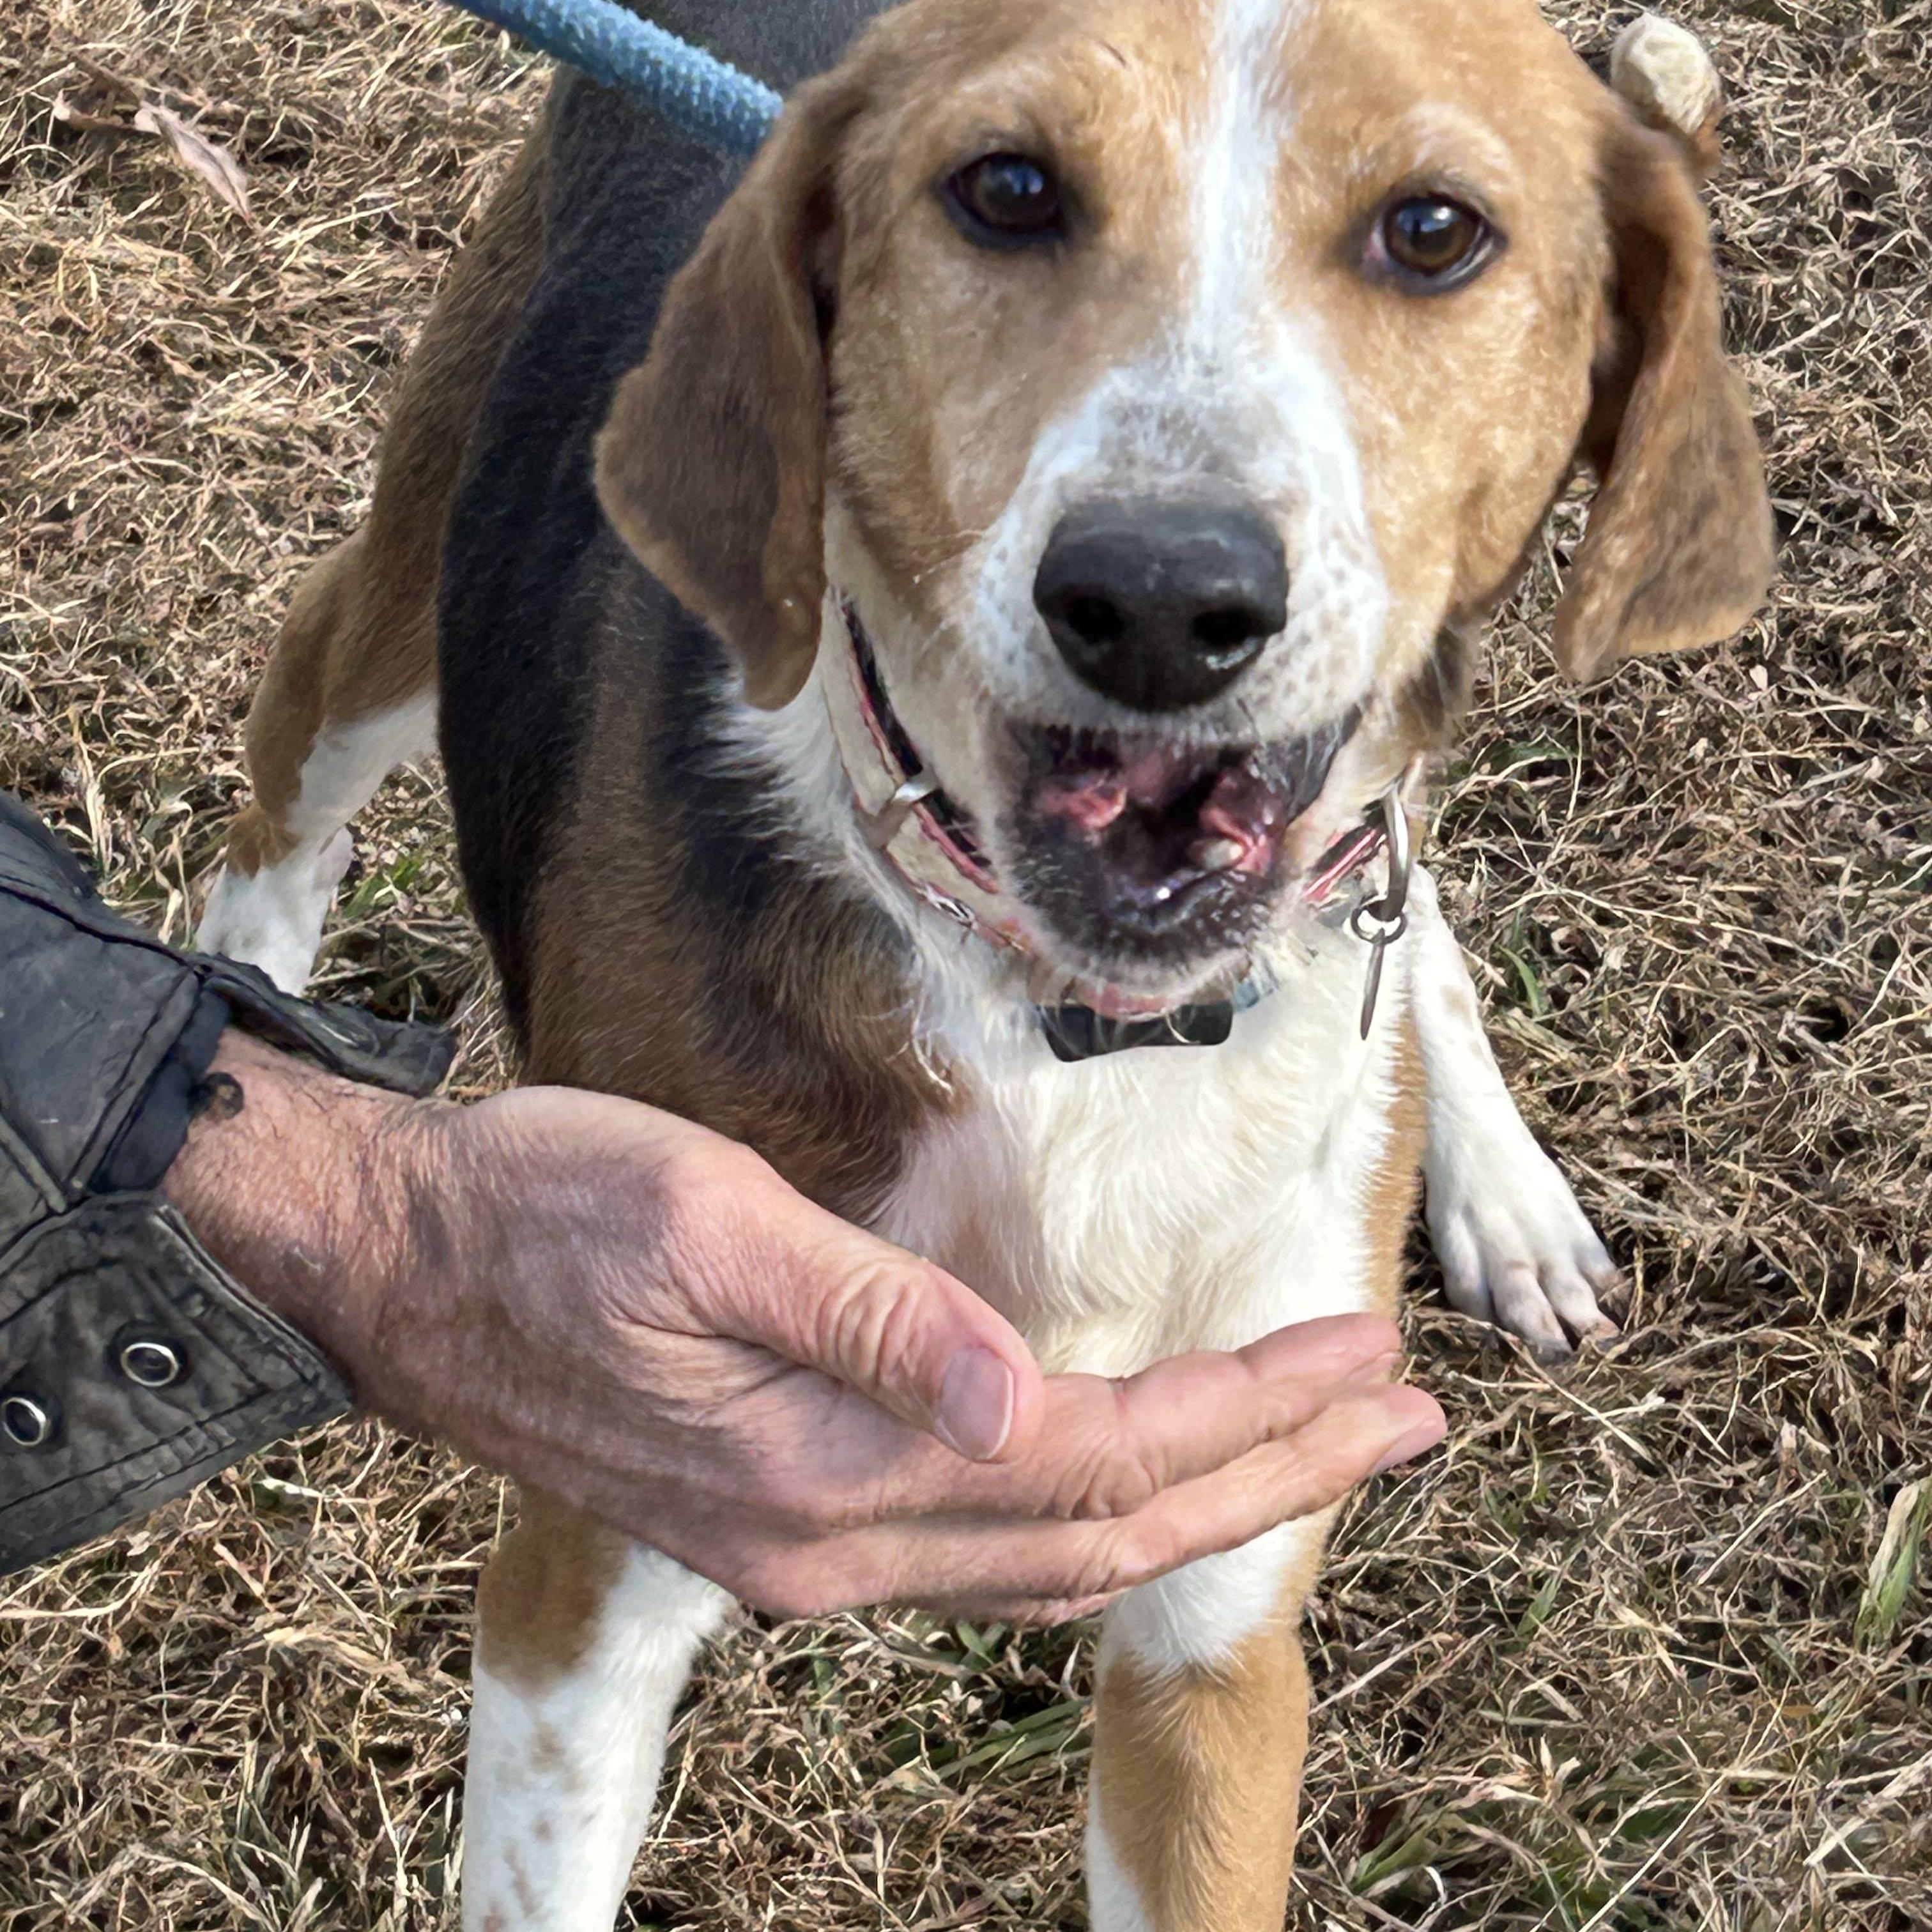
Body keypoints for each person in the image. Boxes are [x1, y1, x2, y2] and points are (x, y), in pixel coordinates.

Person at [0, 790, 1443, 1616]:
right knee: (355, 661)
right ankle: (273, 864)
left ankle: (1416, 959)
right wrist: (363, 1219)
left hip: (1320, 927)